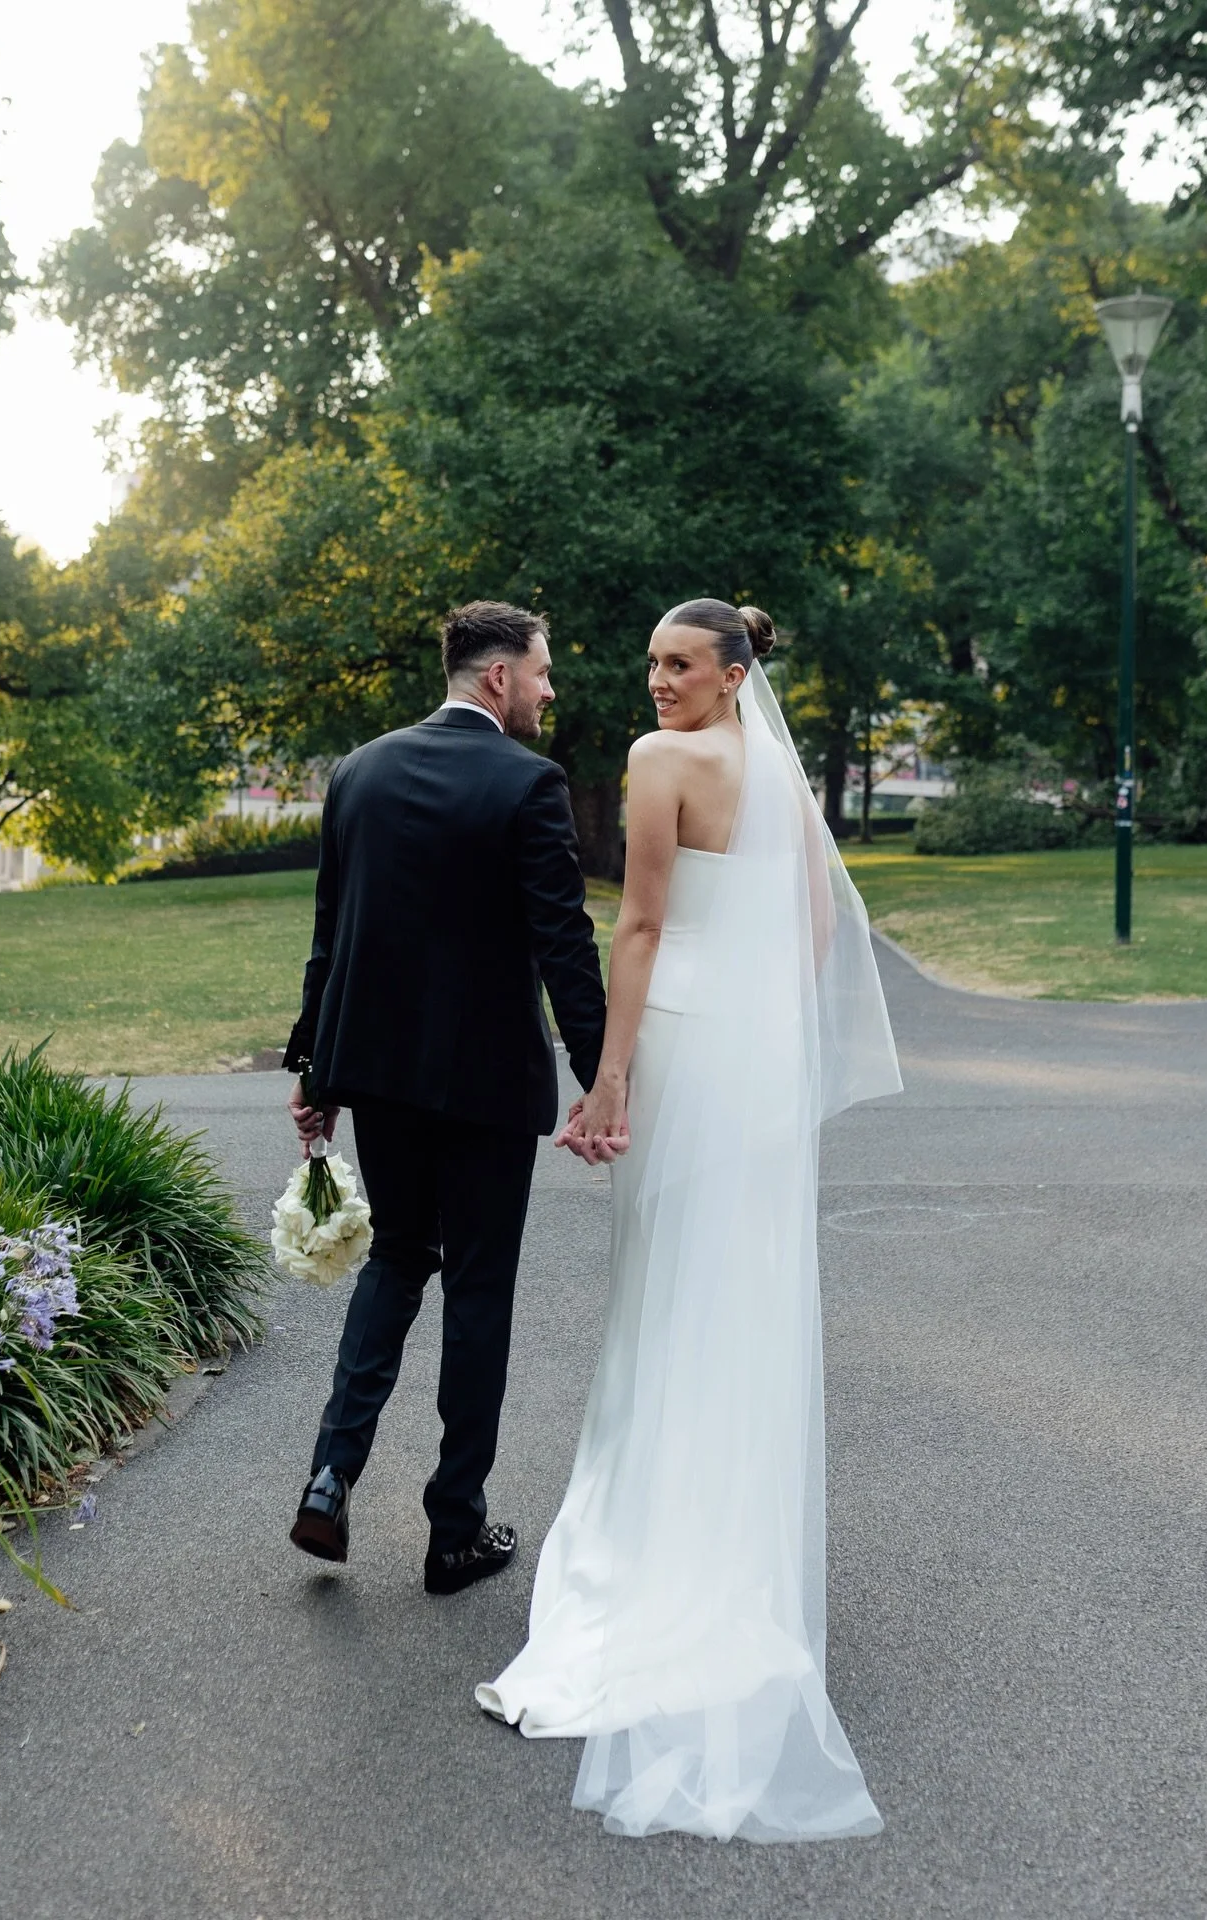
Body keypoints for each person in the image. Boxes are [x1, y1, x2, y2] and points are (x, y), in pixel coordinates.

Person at [476, 599, 903, 1842]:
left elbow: (643, 927)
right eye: (651, 665)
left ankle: (659, 1556)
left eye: (679, 666)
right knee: (742, 1291)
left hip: (682, 1049)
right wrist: (772, 1029)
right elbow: (822, 922)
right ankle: (736, 1558)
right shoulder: (771, 766)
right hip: (757, 1063)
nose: (655, 683)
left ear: (730, 675)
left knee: (665, 1297)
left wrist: (607, 1079)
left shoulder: (660, 764)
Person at [283, 600, 610, 1597]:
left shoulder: (360, 771)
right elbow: (565, 945)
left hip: (378, 1076)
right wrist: (604, 1081)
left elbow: (332, 934)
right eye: (543, 673)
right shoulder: (528, 783)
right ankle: (453, 1531)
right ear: (499, 678)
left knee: (396, 1259)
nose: (552, 690)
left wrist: (316, 1072)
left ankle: (330, 1480)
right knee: (476, 1291)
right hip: (484, 1086)